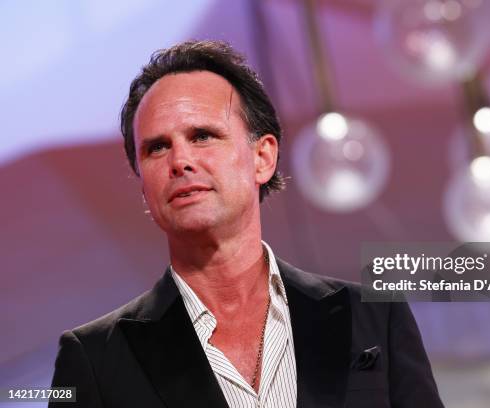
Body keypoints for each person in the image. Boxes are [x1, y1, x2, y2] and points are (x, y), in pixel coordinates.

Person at [50, 40, 444, 408]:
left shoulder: (373, 317)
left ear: (263, 158)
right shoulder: (94, 358)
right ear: (142, 184)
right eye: (156, 148)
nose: (179, 161)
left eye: (202, 135)